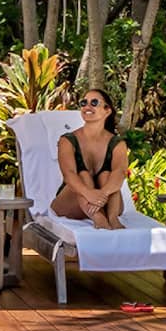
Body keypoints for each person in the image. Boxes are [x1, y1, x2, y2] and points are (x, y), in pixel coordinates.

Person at [52, 88, 128, 229]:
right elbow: (69, 175)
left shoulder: (117, 144)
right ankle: (99, 219)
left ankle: (112, 218)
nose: (87, 106)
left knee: (107, 175)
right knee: (83, 175)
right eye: (83, 102)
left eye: (94, 102)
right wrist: (89, 194)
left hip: (106, 203)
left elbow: (120, 173)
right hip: (72, 201)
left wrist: (100, 196)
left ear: (107, 110)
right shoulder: (68, 140)